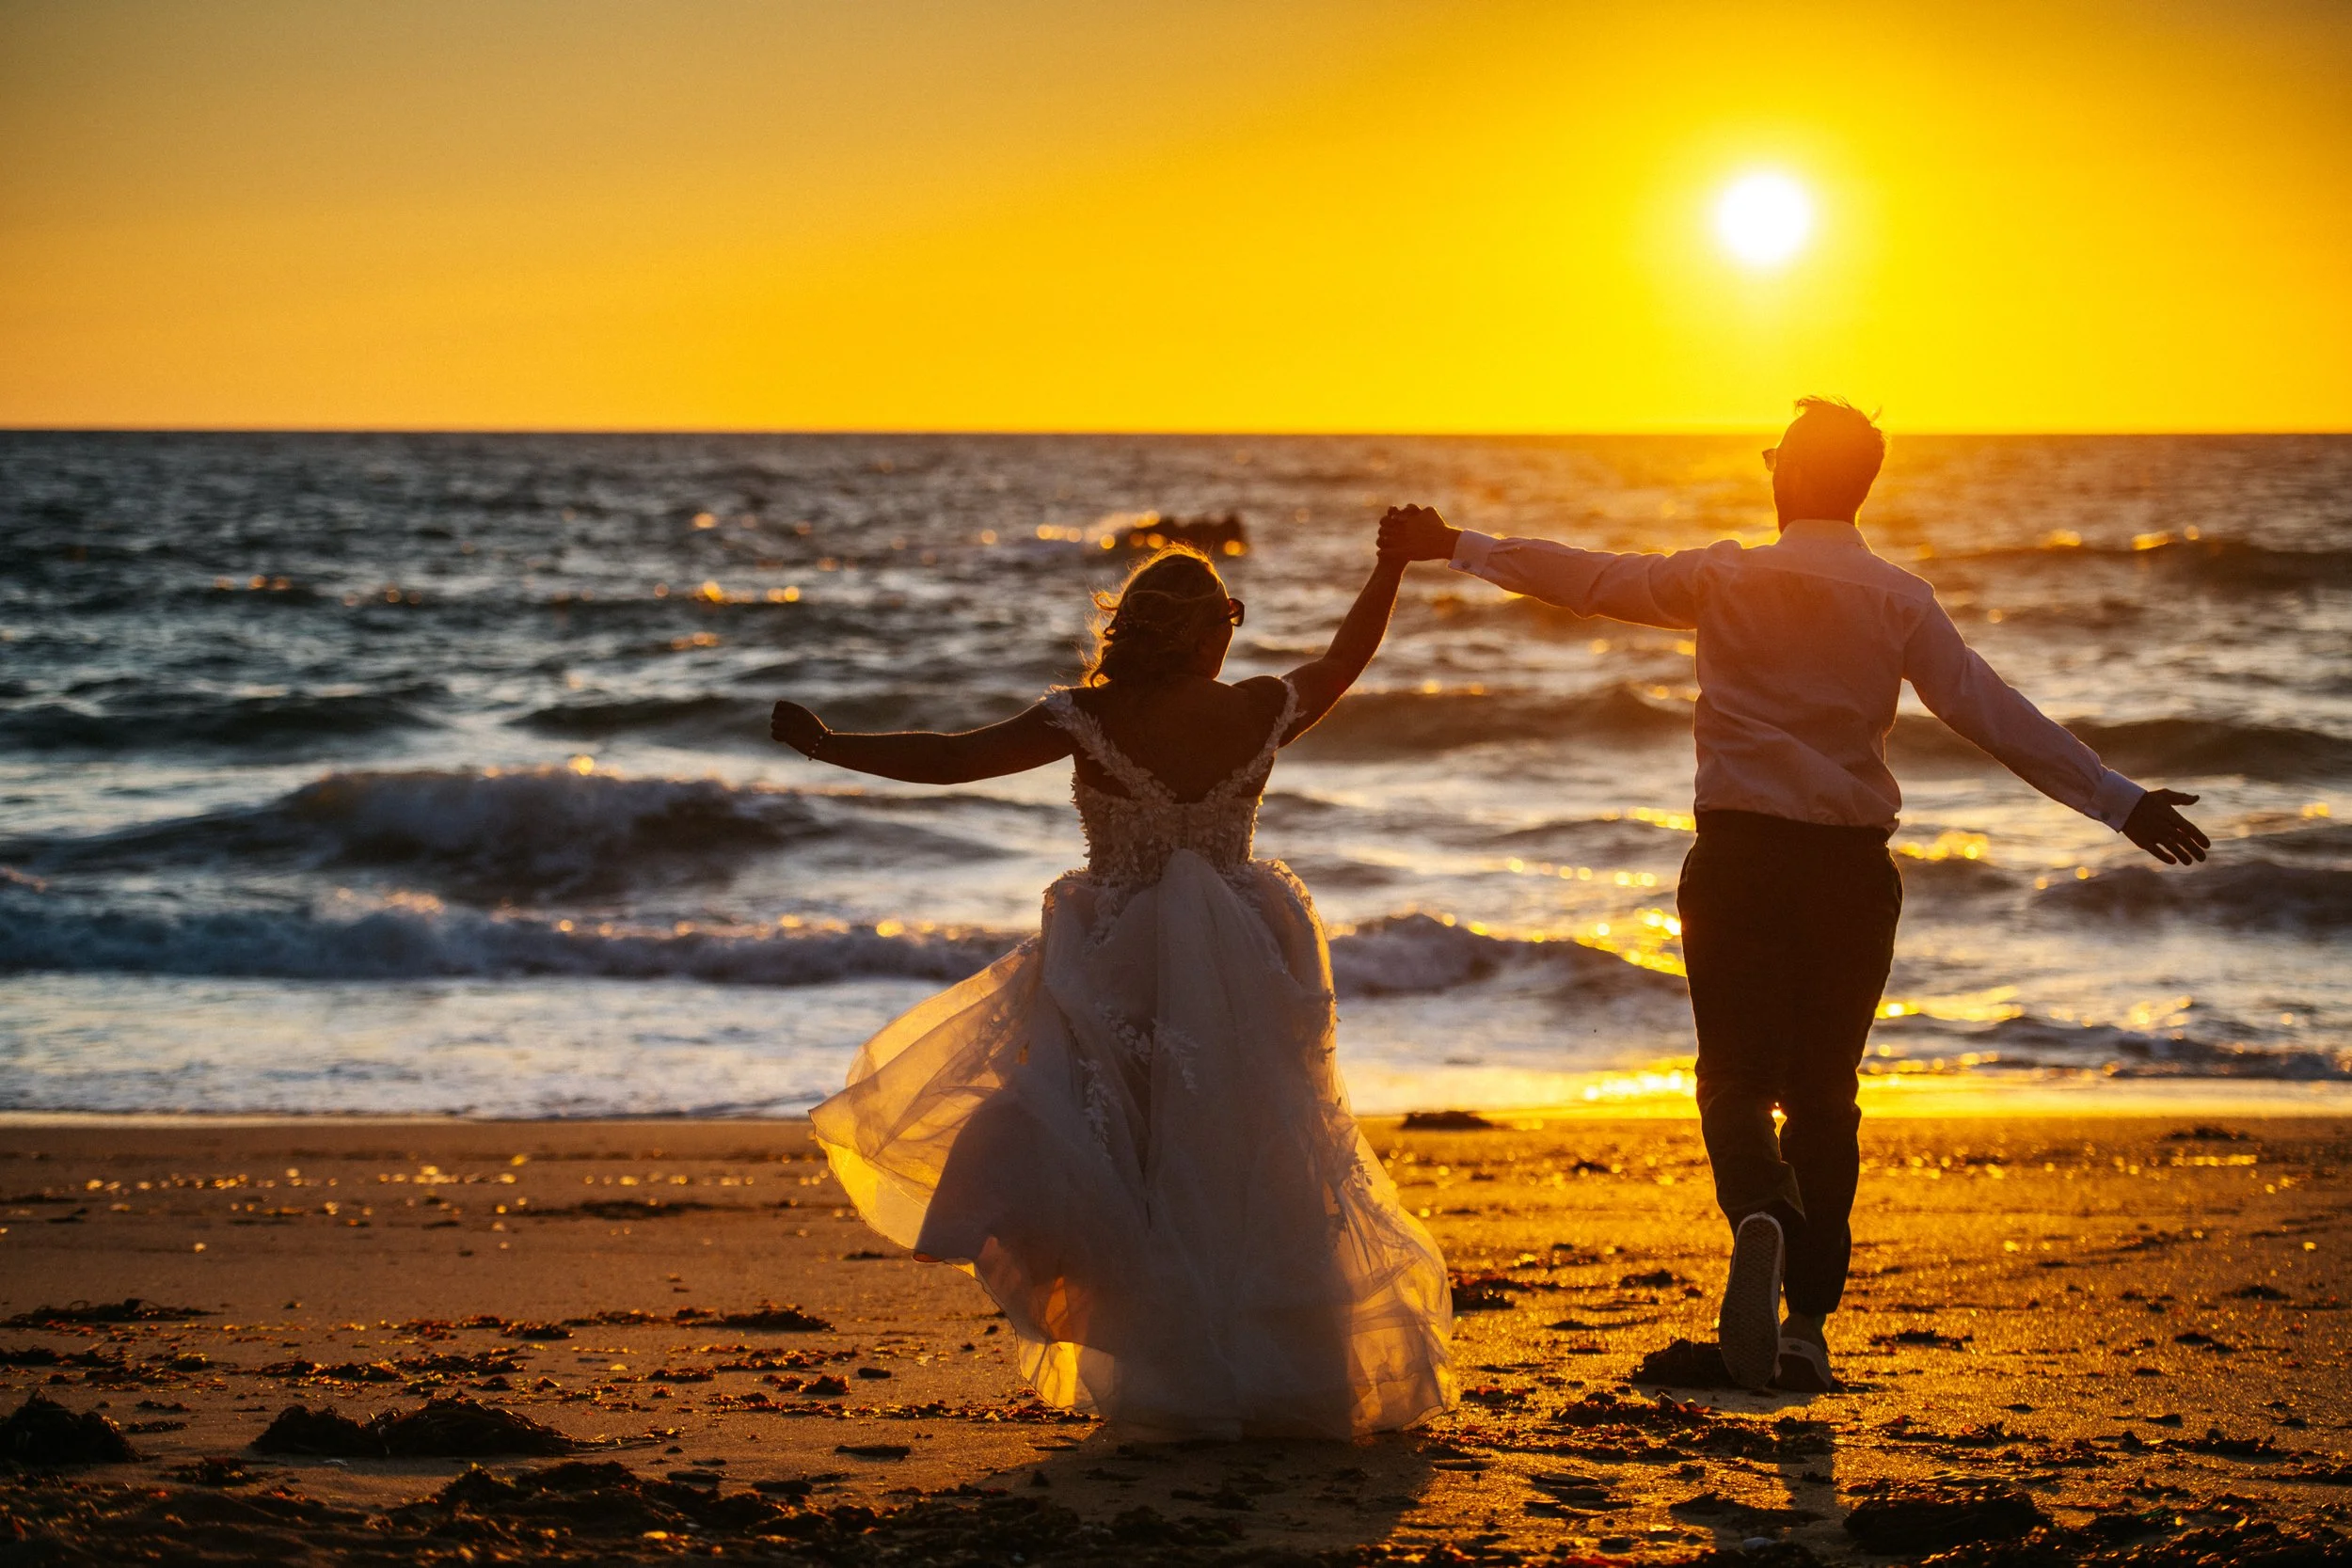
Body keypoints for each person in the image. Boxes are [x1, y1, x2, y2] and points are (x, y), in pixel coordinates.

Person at [1378, 399, 2209, 1393]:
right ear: (1859, 487)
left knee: (1731, 1077)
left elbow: (1590, 579)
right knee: (1824, 1095)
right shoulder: (1899, 598)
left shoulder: (1723, 573)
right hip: (1850, 873)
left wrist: (1456, 543)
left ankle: (1762, 1208)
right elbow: (1993, 713)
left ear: (1786, 478)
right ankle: (1808, 1323)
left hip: (1736, 859)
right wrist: (2119, 802)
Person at [769, 535, 1454, 1438]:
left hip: (1112, 961)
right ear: (1204, 632)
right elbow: (1342, 661)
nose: (1234, 635)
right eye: (1230, 617)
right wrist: (1391, 568)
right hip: (1247, 957)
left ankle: (1170, 1371)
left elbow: (951, 758)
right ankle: (1281, 1368)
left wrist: (828, 744)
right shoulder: (1256, 710)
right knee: (1258, 1159)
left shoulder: (1085, 718)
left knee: (1120, 1163)